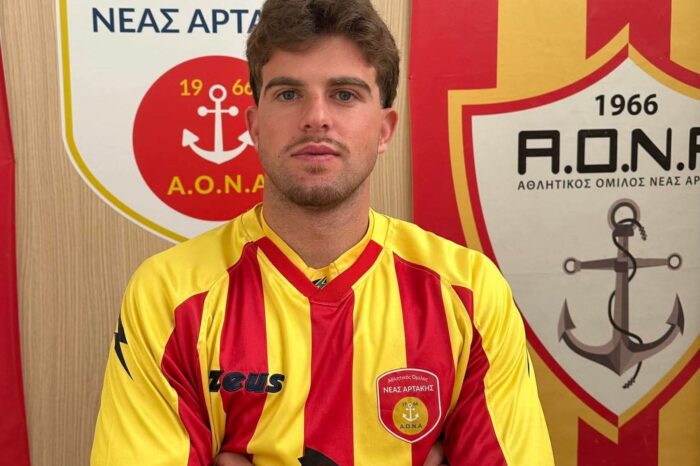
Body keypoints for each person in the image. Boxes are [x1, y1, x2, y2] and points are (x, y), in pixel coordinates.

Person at [91, 0, 554, 464]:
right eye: (288, 94)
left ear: (384, 130)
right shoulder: (170, 295)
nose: (316, 117)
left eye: (345, 94)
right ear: (254, 126)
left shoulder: (469, 291)